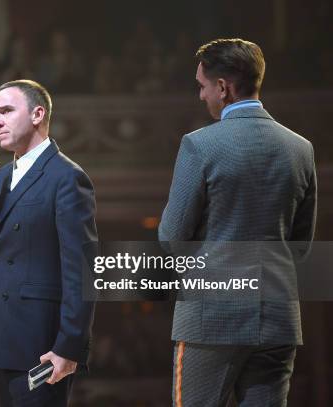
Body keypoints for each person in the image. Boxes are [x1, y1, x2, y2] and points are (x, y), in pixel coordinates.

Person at [159, 39, 317, 406]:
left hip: (210, 318)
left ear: (223, 88)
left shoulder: (199, 145)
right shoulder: (301, 148)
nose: (200, 96)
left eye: (202, 86)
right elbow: (302, 246)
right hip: (278, 316)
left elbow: (171, 237)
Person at [0, 79, 97, 406]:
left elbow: (82, 269)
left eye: (6, 110)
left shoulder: (67, 177)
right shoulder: (1, 177)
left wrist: (69, 346)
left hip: (40, 343)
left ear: (38, 114)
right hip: (0, 336)